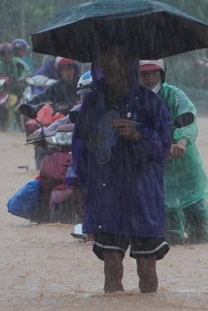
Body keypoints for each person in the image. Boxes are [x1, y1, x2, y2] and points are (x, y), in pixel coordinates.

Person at [71, 43, 173, 293]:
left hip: (143, 194)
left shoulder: (150, 102)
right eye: (104, 60)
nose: (109, 66)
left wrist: (139, 135)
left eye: (115, 59)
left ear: (129, 64)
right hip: (106, 194)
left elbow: (164, 146)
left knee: (147, 269)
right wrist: (77, 184)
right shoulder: (94, 103)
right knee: (112, 267)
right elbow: (80, 146)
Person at [139, 59, 208, 245]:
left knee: (199, 227)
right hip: (157, 171)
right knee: (169, 235)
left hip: (186, 167)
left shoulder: (174, 95)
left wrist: (181, 143)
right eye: (145, 74)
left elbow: (189, 120)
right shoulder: (133, 100)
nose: (150, 78)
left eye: (154, 73)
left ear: (162, 74)